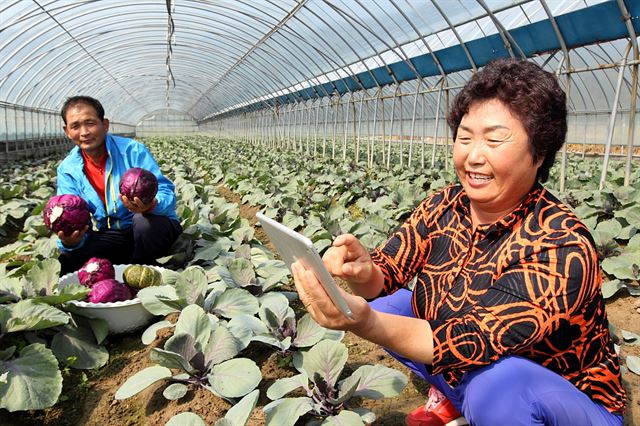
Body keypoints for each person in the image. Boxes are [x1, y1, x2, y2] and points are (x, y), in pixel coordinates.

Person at [291, 59, 626, 426]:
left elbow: (469, 340)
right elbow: (386, 275)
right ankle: (458, 397)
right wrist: (362, 268)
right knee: (394, 305)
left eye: (494, 139)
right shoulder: (445, 204)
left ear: (540, 151)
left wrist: (363, 322)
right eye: (465, 137)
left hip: (566, 400)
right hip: (477, 368)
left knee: (498, 386)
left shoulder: (561, 245)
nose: (473, 155)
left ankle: (485, 406)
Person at [55, 96, 182, 275]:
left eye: (90, 123)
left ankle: (143, 272)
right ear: (67, 131)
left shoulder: (132, 151)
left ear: (105, 125)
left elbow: (165, 192)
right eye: (75, 126)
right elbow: (70, 214)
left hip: (154, 226)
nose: (84, 132)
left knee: (142, 223)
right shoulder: (68, 169)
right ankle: (132, 263)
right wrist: (70, 241)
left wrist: (151, 205)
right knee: (68, 262)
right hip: (115, 234)